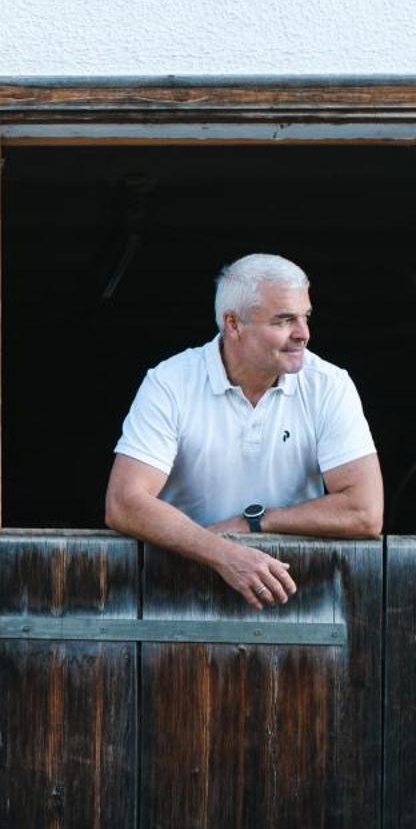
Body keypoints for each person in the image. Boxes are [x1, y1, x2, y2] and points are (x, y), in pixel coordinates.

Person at [104, 253, 383, 609]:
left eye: (305, 317)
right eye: (284, 320)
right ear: (233, 324)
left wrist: (253, 522)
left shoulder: (329, 385)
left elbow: (365, 511)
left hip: (295, 595)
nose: (304, 334)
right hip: (177, 594)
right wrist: (224, 555)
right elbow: (124, 503)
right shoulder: (170, 382)